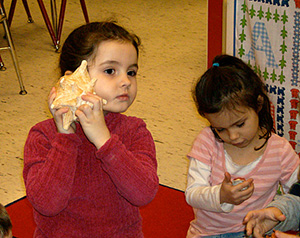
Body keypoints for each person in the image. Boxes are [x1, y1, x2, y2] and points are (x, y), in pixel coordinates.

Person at [23, 21, 159, 237]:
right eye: (110, 70)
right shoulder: (43, 136)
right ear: (75, 79)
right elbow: (46, 204)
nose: (125, 81)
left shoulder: (135, 130)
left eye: (131, 72)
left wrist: (104, 140)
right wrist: (65, 138)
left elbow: (143, 193)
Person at [185, 54, 300, 238]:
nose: (233, 136)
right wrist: (220, 196)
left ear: (259, 105)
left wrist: (274, 211)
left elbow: (296, 195)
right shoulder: (207, 141)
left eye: (240, 124)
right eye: (221, 129)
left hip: (256, 231)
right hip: (208, 234)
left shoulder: (279, 150)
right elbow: (192, 194)